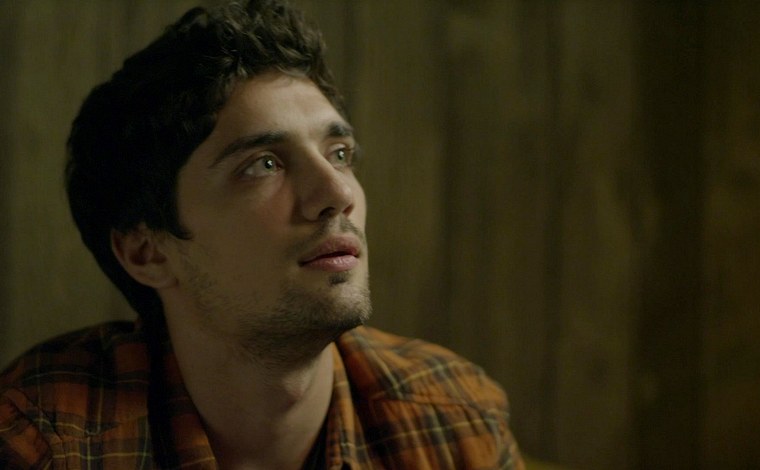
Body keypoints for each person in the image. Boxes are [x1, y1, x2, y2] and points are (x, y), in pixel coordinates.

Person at [0, 1, 522, 468]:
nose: (337, 192)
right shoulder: (44, 443)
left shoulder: (455, 421)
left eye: (339, 154)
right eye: (263, 164)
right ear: (147, 251)